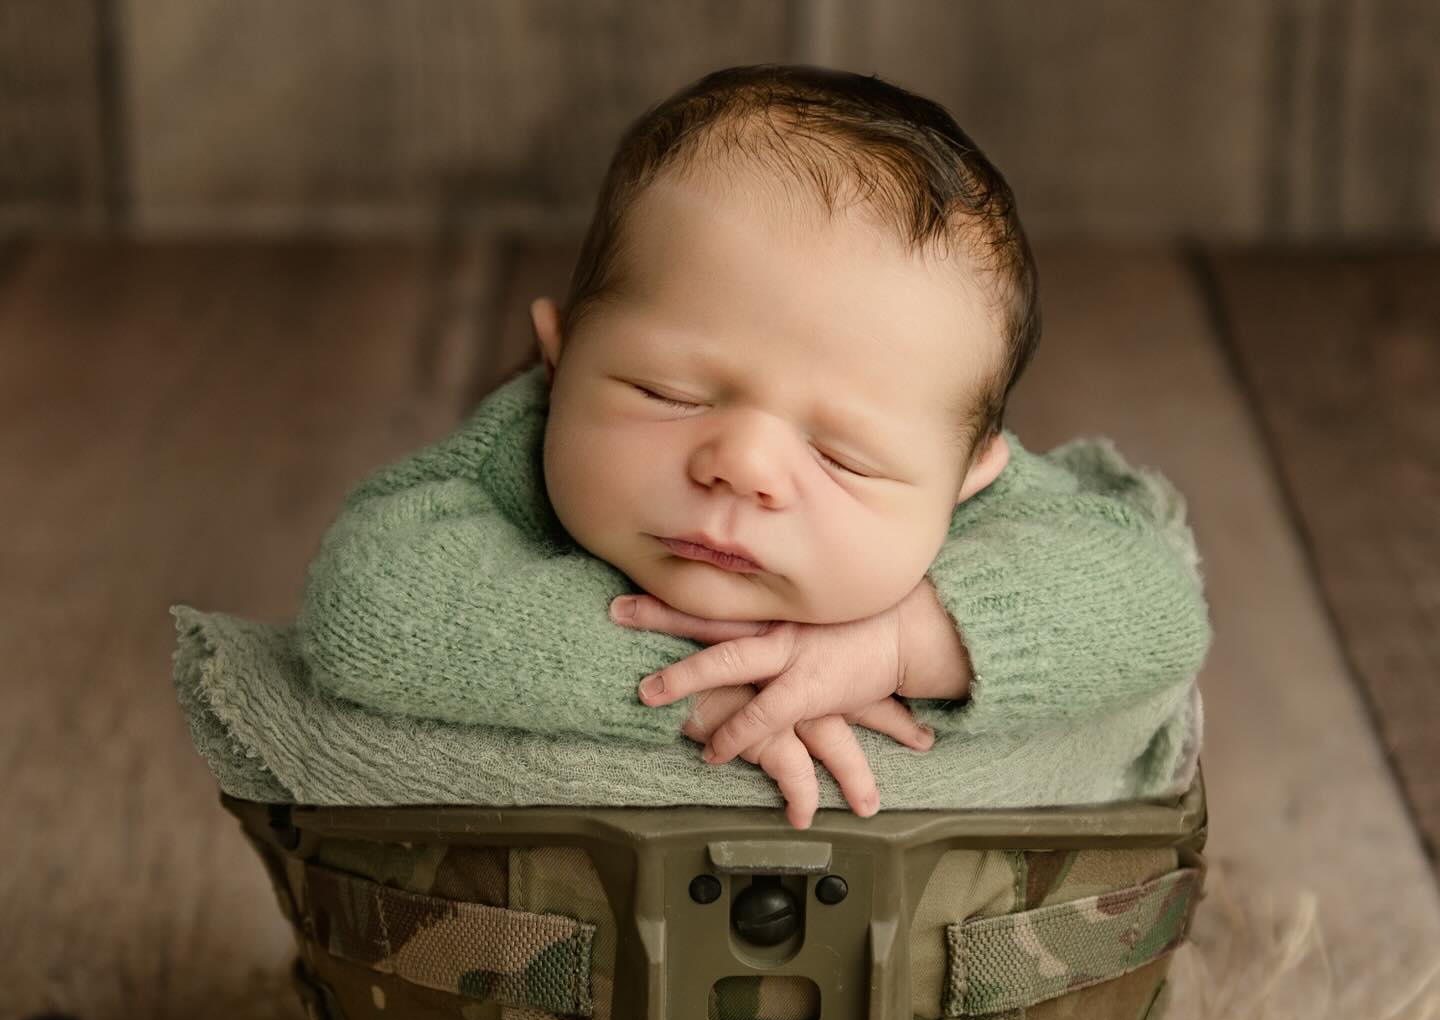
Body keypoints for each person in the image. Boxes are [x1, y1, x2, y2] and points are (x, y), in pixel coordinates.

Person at [296, 65, 1211, 828]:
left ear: (968, 480)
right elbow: (366, 606)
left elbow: (1158, 603)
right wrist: (676, 684)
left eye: (846, 457)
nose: (742, 466)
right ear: (559, 359)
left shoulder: (998, 520)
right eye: (669, 394)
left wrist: (907, 641)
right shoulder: (513, 462)